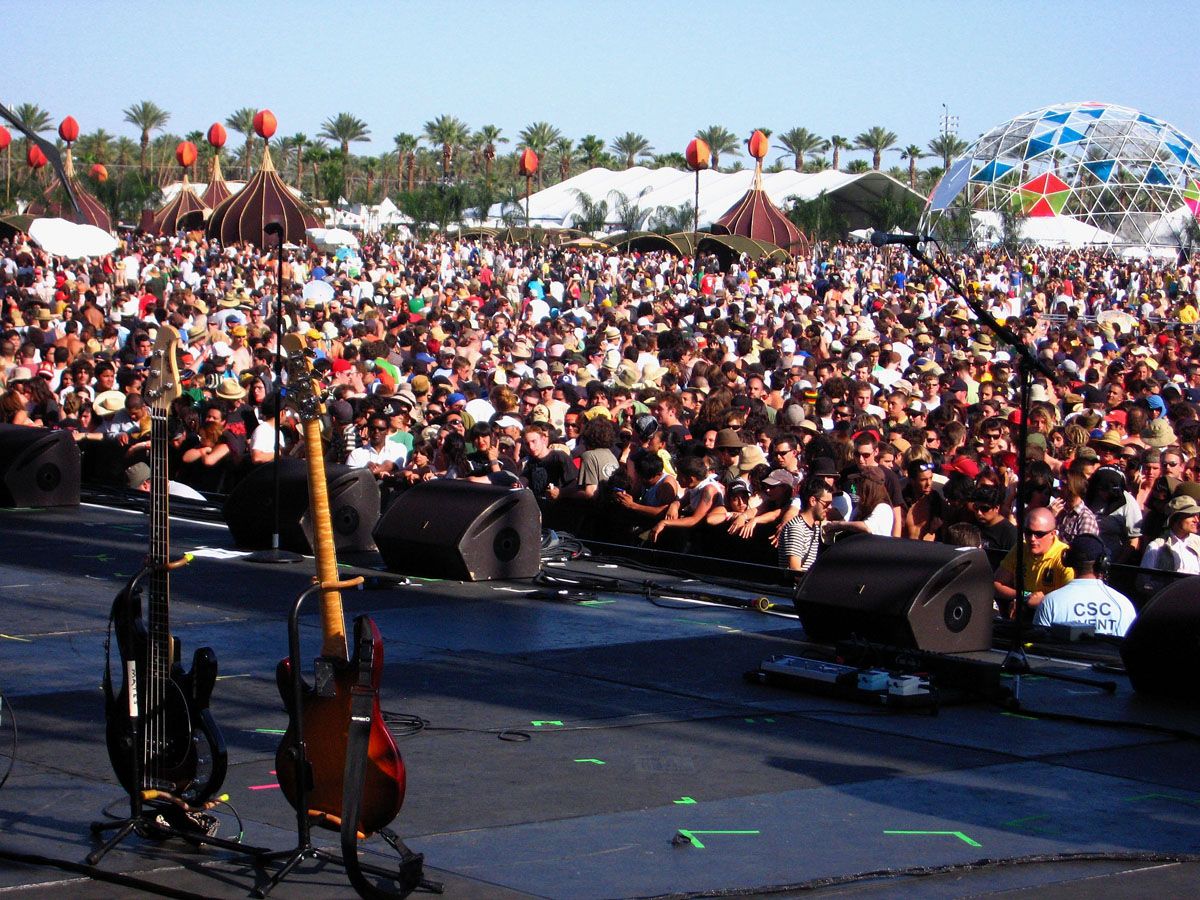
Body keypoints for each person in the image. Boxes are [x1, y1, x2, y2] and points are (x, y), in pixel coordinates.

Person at [1035, 535, 1137, 637]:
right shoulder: (1124, 605)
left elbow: (1039, 645)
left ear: (1067, 560)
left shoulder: (1050, 602)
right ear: (1104, 562)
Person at [994, 506, 1073, 616]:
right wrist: (1024, 596)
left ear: (1053, 534)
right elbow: (997, 584)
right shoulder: (1020, 549)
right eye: (1028, 532)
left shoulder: (1064, 557)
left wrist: (1044, 601)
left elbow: (1070, 599)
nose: (1032, 538)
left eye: (1039, 534)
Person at [1137, 494, 1200, 598]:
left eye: (1197, 515)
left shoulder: (1199, 543)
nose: (1196, 520)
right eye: (1190, 515)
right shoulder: (1156, 547)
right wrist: (1170, 589)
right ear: (1176, 518)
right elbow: (1142, 584)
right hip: (1170, 605)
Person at [777, 480, 832, 573]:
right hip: (796, 586)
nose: (829, 508)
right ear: (813, 501)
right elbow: (795, 570)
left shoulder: (814, 527)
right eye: (826, 504)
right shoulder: (797, 528)